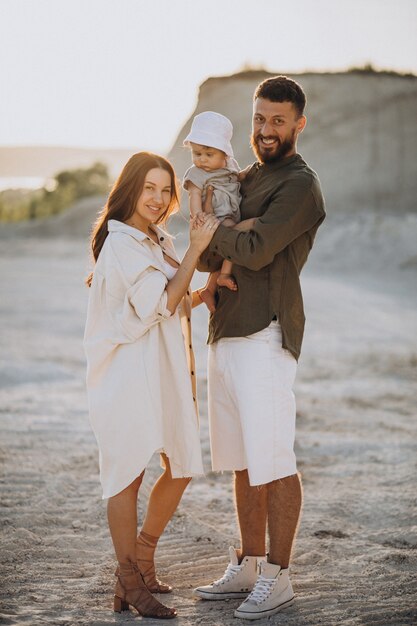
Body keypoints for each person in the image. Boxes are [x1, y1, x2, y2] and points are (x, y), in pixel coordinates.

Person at [193, 76, 326, 620]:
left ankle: (279, 575)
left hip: (266, 332)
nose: (266, 130)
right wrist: (223, 230)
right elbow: (205, 256)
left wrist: (219, 229)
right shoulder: (243, 176)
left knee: (272, 458)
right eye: (259, 119)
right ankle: (248, 563)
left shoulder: (299, 184)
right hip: (226, 330)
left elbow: (253, 248)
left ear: (298, 124)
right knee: (243, 461)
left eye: (277, 121)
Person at [83, 152, 219, 619]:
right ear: (130, 190)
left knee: (180, 463)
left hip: (160, 371)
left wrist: (205, 291)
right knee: (128, 474)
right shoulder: (122, 244)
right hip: (125, 375)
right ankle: (127, 579)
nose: (159, 200)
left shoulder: (155, 238)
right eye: (149, 189)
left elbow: (172, 302)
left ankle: (142, 559)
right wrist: (198, 251)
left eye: (166, 191)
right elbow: (159, 302)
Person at [183, 111, 241, 312]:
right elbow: (194, 194)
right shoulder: (196, 173)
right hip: (214, 219)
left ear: (224, 154)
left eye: (209, 154)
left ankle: (209, 288)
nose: (202, 160)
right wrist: (198, 214)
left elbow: (239, 179)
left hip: (231, 213)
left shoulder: (231, 165)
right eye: (197, 154)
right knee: (233, 233)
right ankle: (224, 275)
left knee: (232, 239)